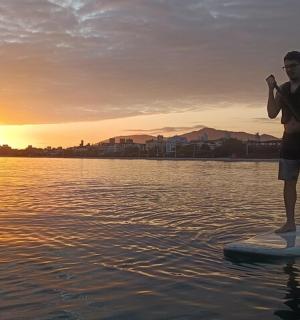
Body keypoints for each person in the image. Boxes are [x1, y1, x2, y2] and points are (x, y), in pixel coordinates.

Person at [266, 51, 300, 233]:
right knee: (289, 181)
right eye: (286, 67)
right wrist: (270, 89)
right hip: (289, 142)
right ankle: (290, 223)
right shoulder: (284, 89)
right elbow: (272, 113)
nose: (289, 70)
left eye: (293, 66)